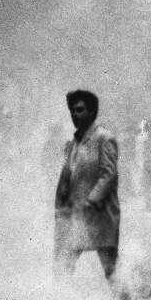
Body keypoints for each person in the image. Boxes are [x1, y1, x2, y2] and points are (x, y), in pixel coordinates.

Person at [54, 90, 120, 281]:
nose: (75, 114)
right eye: (72, 110)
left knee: (111, 271)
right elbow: (68, 177)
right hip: (76, 215)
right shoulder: (73, 143)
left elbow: (108, 175)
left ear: (92, 112)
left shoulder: (104, 138)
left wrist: (91, 202)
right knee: (64, 266)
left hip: (101, 216)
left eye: (80, 110)